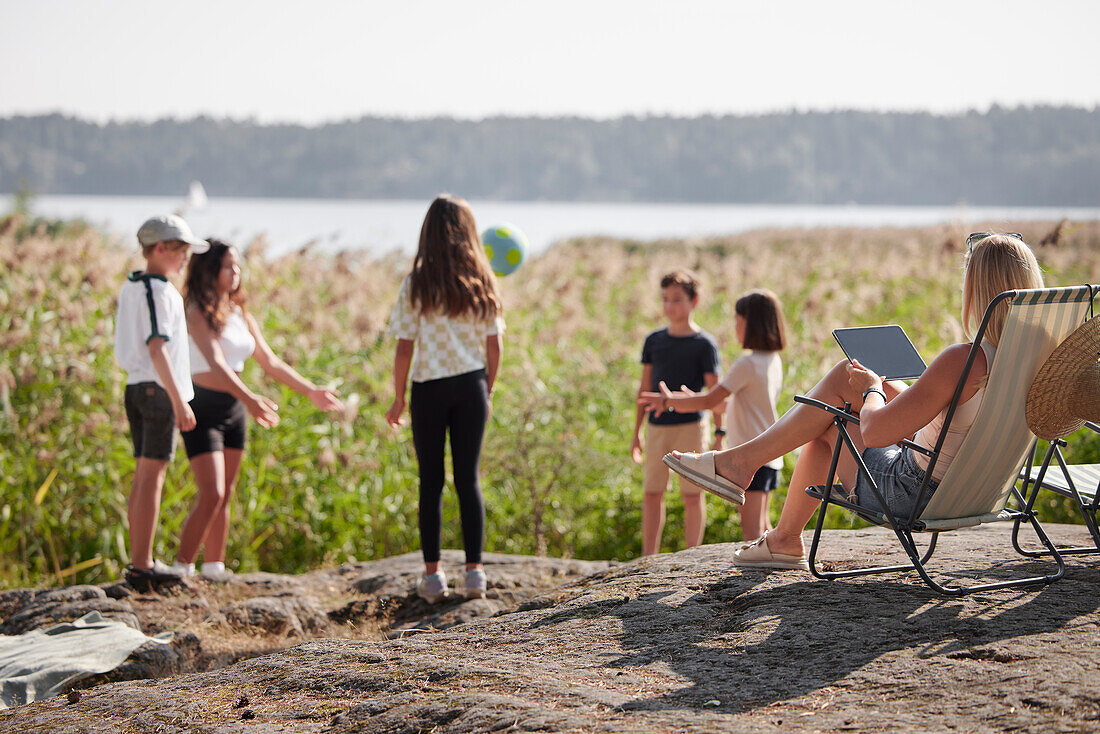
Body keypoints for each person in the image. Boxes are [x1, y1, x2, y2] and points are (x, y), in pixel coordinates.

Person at [664, 234, 1044, 570]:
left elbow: (877, 433)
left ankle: (745, 473)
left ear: (976, 289)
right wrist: (891, 388)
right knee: (846, 388)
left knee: (835, 408)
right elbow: (959, 416)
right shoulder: (1038, 356)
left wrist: (872, 388)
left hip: (914, 494)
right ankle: (770, 518)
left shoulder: (965, 358)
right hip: (981, 490)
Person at [173, 238, 343, 580]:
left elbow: (269, 360)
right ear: (209, 271)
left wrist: (310, 391)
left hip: (233, 408)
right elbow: (217, 364)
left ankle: (214, 567)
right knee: (212, 492)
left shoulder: (238, 312)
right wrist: (251, 399)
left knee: (226, 494)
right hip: (203, 406)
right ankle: (181, 569)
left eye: (237, 266)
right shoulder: (194, 311)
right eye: (227, 266)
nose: (235, 273)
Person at [385, 194, 503, 603]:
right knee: (468, 479)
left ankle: (433, 577)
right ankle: (475, 574)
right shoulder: (483, 280)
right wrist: (486, 388)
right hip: (471, 384)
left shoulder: (417, 283)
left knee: (431, 482)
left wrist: (398, 398)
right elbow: (495, 347)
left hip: (429, 387)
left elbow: (404, 348)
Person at [639, 289, 787, 542]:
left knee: (751, 531)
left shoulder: (747, 364)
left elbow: (710, 399)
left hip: (751, 455)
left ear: (750, 324)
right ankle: (775, 560)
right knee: (762, 524)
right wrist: (686, 400)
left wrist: (669, 401)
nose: (735, 327)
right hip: (770, 455)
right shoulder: (772, 360)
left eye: (737, 321)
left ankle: (759, 572)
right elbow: (732, 405)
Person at [115, 215, 208, 586]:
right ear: (159, 249)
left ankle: (140, 561)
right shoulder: (157, 290)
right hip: (156, 391)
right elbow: (157, 348)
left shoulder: (133, 286)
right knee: (151, 478)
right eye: (181, 250)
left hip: (138, 388)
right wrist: (179, 399)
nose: (186, 258)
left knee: (143, 475)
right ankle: (142, 565)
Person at [632, 271, 722, 556]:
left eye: (677, 299)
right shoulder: (654, 341)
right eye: (665, 299)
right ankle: (648, 557)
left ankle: (691, 556)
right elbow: (644, 389)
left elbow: (716, 394)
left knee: (692, 494)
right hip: (657, 428)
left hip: (692, 427)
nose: (670, 306)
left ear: (694, 301)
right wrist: (636, 433)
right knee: (652, 492)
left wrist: (720, 433)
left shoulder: (704, 344)